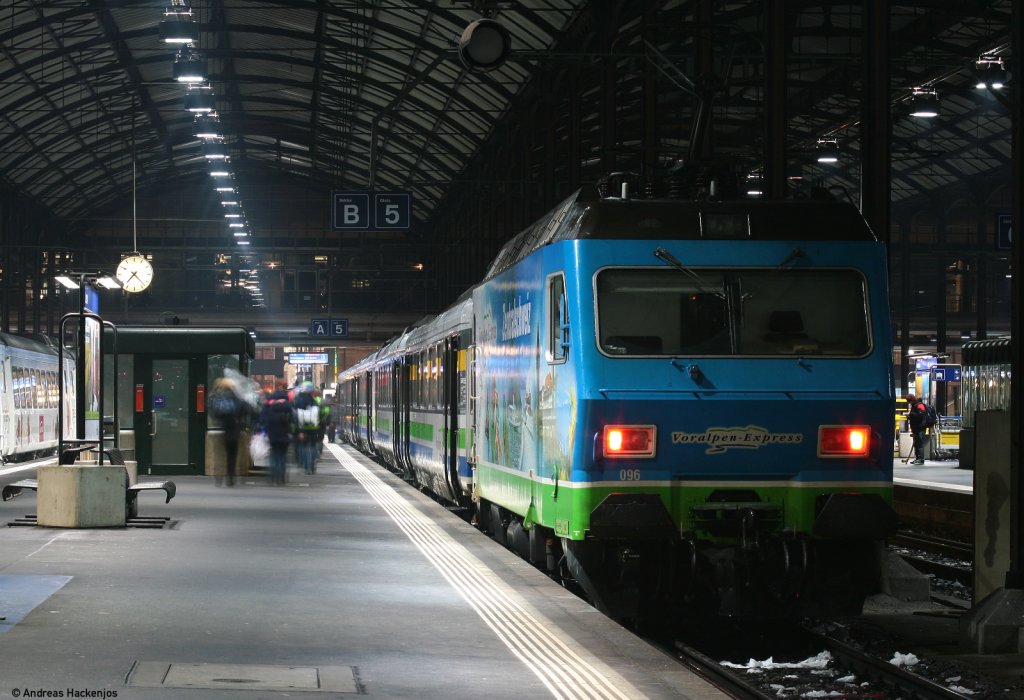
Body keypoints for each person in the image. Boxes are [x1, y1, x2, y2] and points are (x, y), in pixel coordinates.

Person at [209, 377, 245, 486]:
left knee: (219, 455)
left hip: (220, 429)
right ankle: (230, 477)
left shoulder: (218, 397)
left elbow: (213, 411)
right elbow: (245, 409)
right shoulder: (236, 398)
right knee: (232, 455)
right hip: (234, 431)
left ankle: (218, 477)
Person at [259, 378, 295, 484]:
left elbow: (263, 418)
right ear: (286, 387)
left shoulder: (270, 400)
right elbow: (294, 419)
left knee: (274, 454)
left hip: (272, 432)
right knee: (283, 456)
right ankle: (282, 477)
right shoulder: (289, 402)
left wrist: (263, 430)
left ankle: (274, 476)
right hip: (285, 433)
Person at [293, 381, 322, 474]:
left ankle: (306, 467)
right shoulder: (314, 401)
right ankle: (313, 466)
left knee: (304, 446)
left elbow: (295, 415)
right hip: (314, 427)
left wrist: (298, 429)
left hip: (303, 427)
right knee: (313, 446)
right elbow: (319, 414)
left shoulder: (298, 400)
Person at [906, 394, 928, 465]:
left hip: (920, 428)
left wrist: (911, 415)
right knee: (916, 444)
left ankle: (921, 459)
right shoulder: (915, 406)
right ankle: (917, 458)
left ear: (912, 399)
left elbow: (921, 415)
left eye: (909, 401)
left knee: (919, 444)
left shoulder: (919, 405)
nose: (909, 402)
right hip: (916, 428)